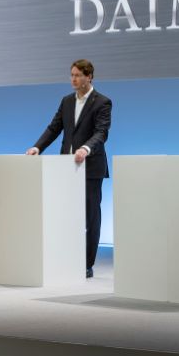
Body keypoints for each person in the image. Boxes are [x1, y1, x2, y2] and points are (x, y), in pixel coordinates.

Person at [26, 59, 112, 278]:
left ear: (89, 76)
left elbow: (101, 132)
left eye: (78, 75)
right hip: (66, 167)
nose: (73, 79)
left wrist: (85, 148)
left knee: (90, 217)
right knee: (66, 215)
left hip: (90, 167)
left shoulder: (102, 102)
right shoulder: (66, 101)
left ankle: (87, 264)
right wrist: (37, 147)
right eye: (72, 75)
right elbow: (54, 128)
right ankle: (67, 258)